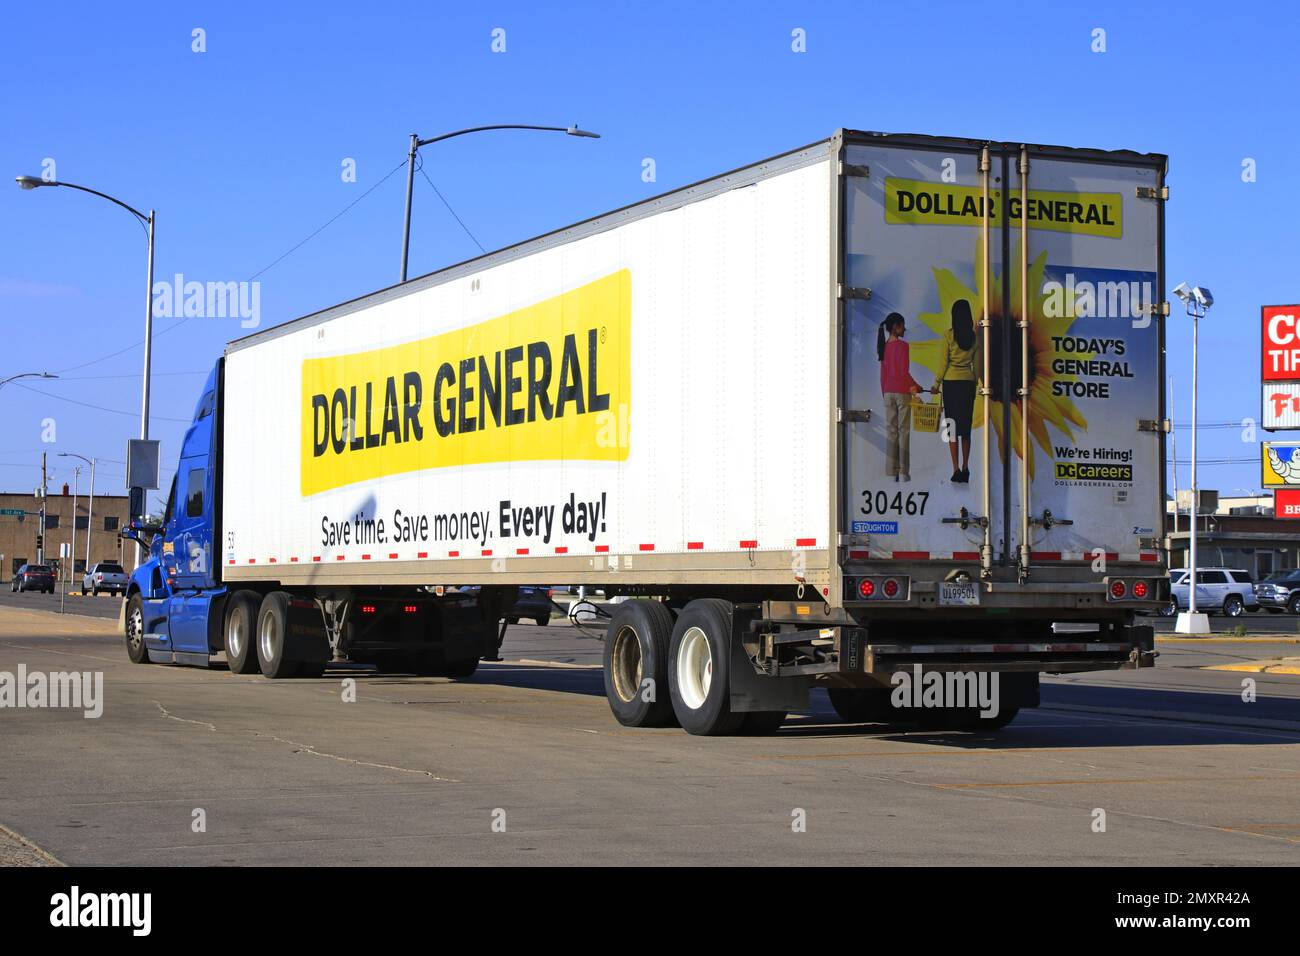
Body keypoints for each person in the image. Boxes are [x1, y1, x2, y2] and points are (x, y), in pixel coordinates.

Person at [931, 299, 980, 483]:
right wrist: (973, 383)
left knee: (951, 427)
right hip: (967, 385)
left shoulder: (948, 336)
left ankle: (956, 469)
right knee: (965, 429)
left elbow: (944, 363)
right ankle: (967, 467)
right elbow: (977, 366)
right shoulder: (974, 338)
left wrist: (936, 384)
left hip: (951, 385)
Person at [877, 312, 923, 481]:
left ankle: (891, 472)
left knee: (891, 432)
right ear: (896, 327)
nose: (905, 329)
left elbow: (883, 374)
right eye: (903, 325)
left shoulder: (883, 347)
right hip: (902, 393)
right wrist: (916, 387)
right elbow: (904, 373)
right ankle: (904, 472)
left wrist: (885, 393)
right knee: (904, 431)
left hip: (888, 393)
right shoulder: (904, 347)